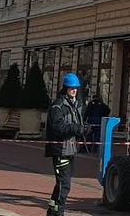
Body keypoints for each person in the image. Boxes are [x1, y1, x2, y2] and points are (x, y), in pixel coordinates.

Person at [44, 73, 85, 216]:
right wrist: (75, 128)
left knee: (61, 183)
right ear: (65, 88)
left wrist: (83, 129)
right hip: (60, 150)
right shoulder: (58, 105)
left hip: (71, 149)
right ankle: (59, 212)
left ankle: (52, 210)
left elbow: (78, 123)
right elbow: (57, 127)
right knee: (64, 184)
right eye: (71, 88)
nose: (74, 90)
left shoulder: (76, 104)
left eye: (76, 88)